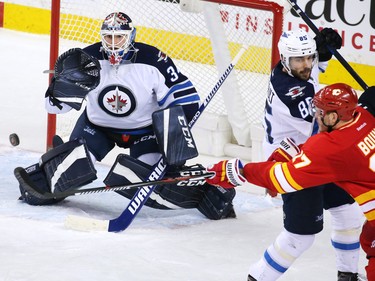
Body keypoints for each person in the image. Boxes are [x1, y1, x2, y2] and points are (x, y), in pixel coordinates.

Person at [15, 12, 236, 221]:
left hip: (145, 132)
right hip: (97, 128)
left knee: (147, 181)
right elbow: (54, 108)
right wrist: (62, 91)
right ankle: (49, 174)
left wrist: (175, 136)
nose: (113, 43)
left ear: (131, 36)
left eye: (119, 37)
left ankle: (206, 193)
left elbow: (186, 100)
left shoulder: (153, 60)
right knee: (71, 170)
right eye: (108, 37)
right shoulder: (87, 59)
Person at [206, 83, 375, 281]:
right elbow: (334, 150)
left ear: (333, 117)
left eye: (320, 111)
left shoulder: (330, 148)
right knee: (367, 236)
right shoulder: (364, 117)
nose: (316, 115)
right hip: (320, 167)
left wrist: (242, 170)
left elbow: (284, 179)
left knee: (308, 235)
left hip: (303, 170)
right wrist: (299, 151)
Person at [251, 28, 363, 281]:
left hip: (318, 154)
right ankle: (257, 277)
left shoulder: (292, 67)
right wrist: (366, 106)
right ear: (284, 58)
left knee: (348, 214)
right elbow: (331, 121)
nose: (306, 65)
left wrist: (322, 53)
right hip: (293, 164)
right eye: (299, 60)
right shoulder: (290, 91)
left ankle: (348, 275)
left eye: (309, 58)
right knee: (299, 238)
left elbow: (313, 71)